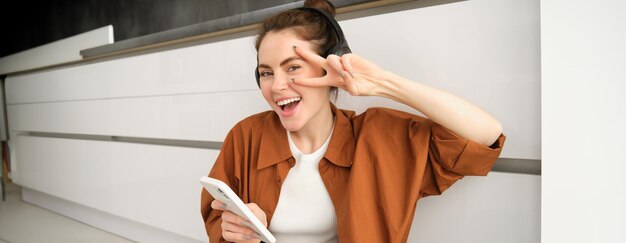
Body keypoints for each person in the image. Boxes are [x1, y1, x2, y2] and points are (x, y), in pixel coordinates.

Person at [200, 0, 505, 242]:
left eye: (292, 67)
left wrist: (381, 83)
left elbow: (485, 135)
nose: (276, 85)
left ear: (328, 68)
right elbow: (217, 219)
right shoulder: (246, 136)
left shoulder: (379, 137)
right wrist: (232, 230)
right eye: (266, 72)